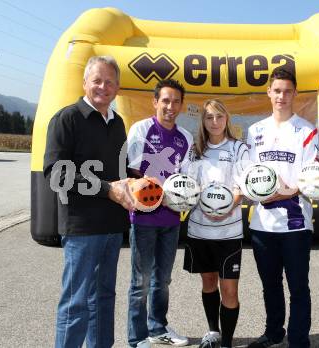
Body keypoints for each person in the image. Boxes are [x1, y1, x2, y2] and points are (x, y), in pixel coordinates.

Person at [44, 55, 135, 348]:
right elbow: (56, 174)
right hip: (82, 227)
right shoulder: (66, 118)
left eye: (109, 82)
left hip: (111, 226)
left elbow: (119, 170)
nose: (103, 86)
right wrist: (108, 189)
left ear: (117, 88)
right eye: (97, 80)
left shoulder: (118, 122)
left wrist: (139, 180)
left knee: (104, 298)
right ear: (85, 83)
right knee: (76, 303)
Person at [246, 67, 319, 348]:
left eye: (288, 91)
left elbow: (312, 174)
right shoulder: (255, 131)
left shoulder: (307, 130)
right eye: (277, 90)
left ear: (295, 93)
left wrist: (290, 190)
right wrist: (258, 191)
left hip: (296, 224)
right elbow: (249, 172)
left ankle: (299, 339)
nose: (282, 96)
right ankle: (274, 332)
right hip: (263, 224)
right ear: (269, 93)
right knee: (270, 285)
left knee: (298, 287)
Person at [126, 79, 193, 348]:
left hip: (171, 220)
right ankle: (137, 337)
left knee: (162, 280)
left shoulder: (185, 137)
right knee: (140, 281)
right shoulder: (141, 129)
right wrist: (160, 194)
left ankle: (157, 328)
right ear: (155, 102)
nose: (170, 106)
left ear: (181, 105)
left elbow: (185, 179)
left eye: (176, 101)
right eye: (165, 100)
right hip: (144, 217)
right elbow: (132, 172)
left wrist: (178, 198)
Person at [183, 99, 249, 348]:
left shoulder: (238, 149)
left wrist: (224, 208)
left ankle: (227, 343)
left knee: (230, 290)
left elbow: (242, 186)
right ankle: (213, 332)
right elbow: (187, 185)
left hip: (228, 232)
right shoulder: (194, 150)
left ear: (227, 119)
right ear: (203, 121)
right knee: (208, 283)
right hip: (200, 231)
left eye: (219, 117)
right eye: (209, 117)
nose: (214, 122)